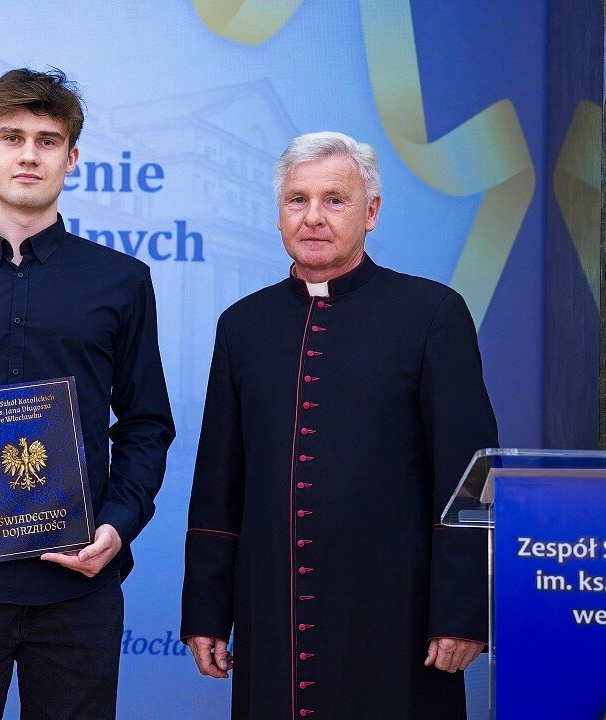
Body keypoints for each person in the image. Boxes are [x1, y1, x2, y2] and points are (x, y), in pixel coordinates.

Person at [0, 68, 175, 720]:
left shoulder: (123, 281)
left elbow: (146, 424)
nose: (28, 155)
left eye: (47, 141)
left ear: (71, 158)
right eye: (11, 137)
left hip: (78, 583)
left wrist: (118, 525)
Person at [180, 132, 498, 719]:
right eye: (297, 200)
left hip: (396, 609)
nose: (313, 218)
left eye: (335, 200)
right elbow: (218, 480)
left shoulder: (432, 313)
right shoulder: (243, 325)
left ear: (371, 211)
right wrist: (206, 609)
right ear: (278, 214)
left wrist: (463, 611)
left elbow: (471, 475)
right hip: (274, 608)